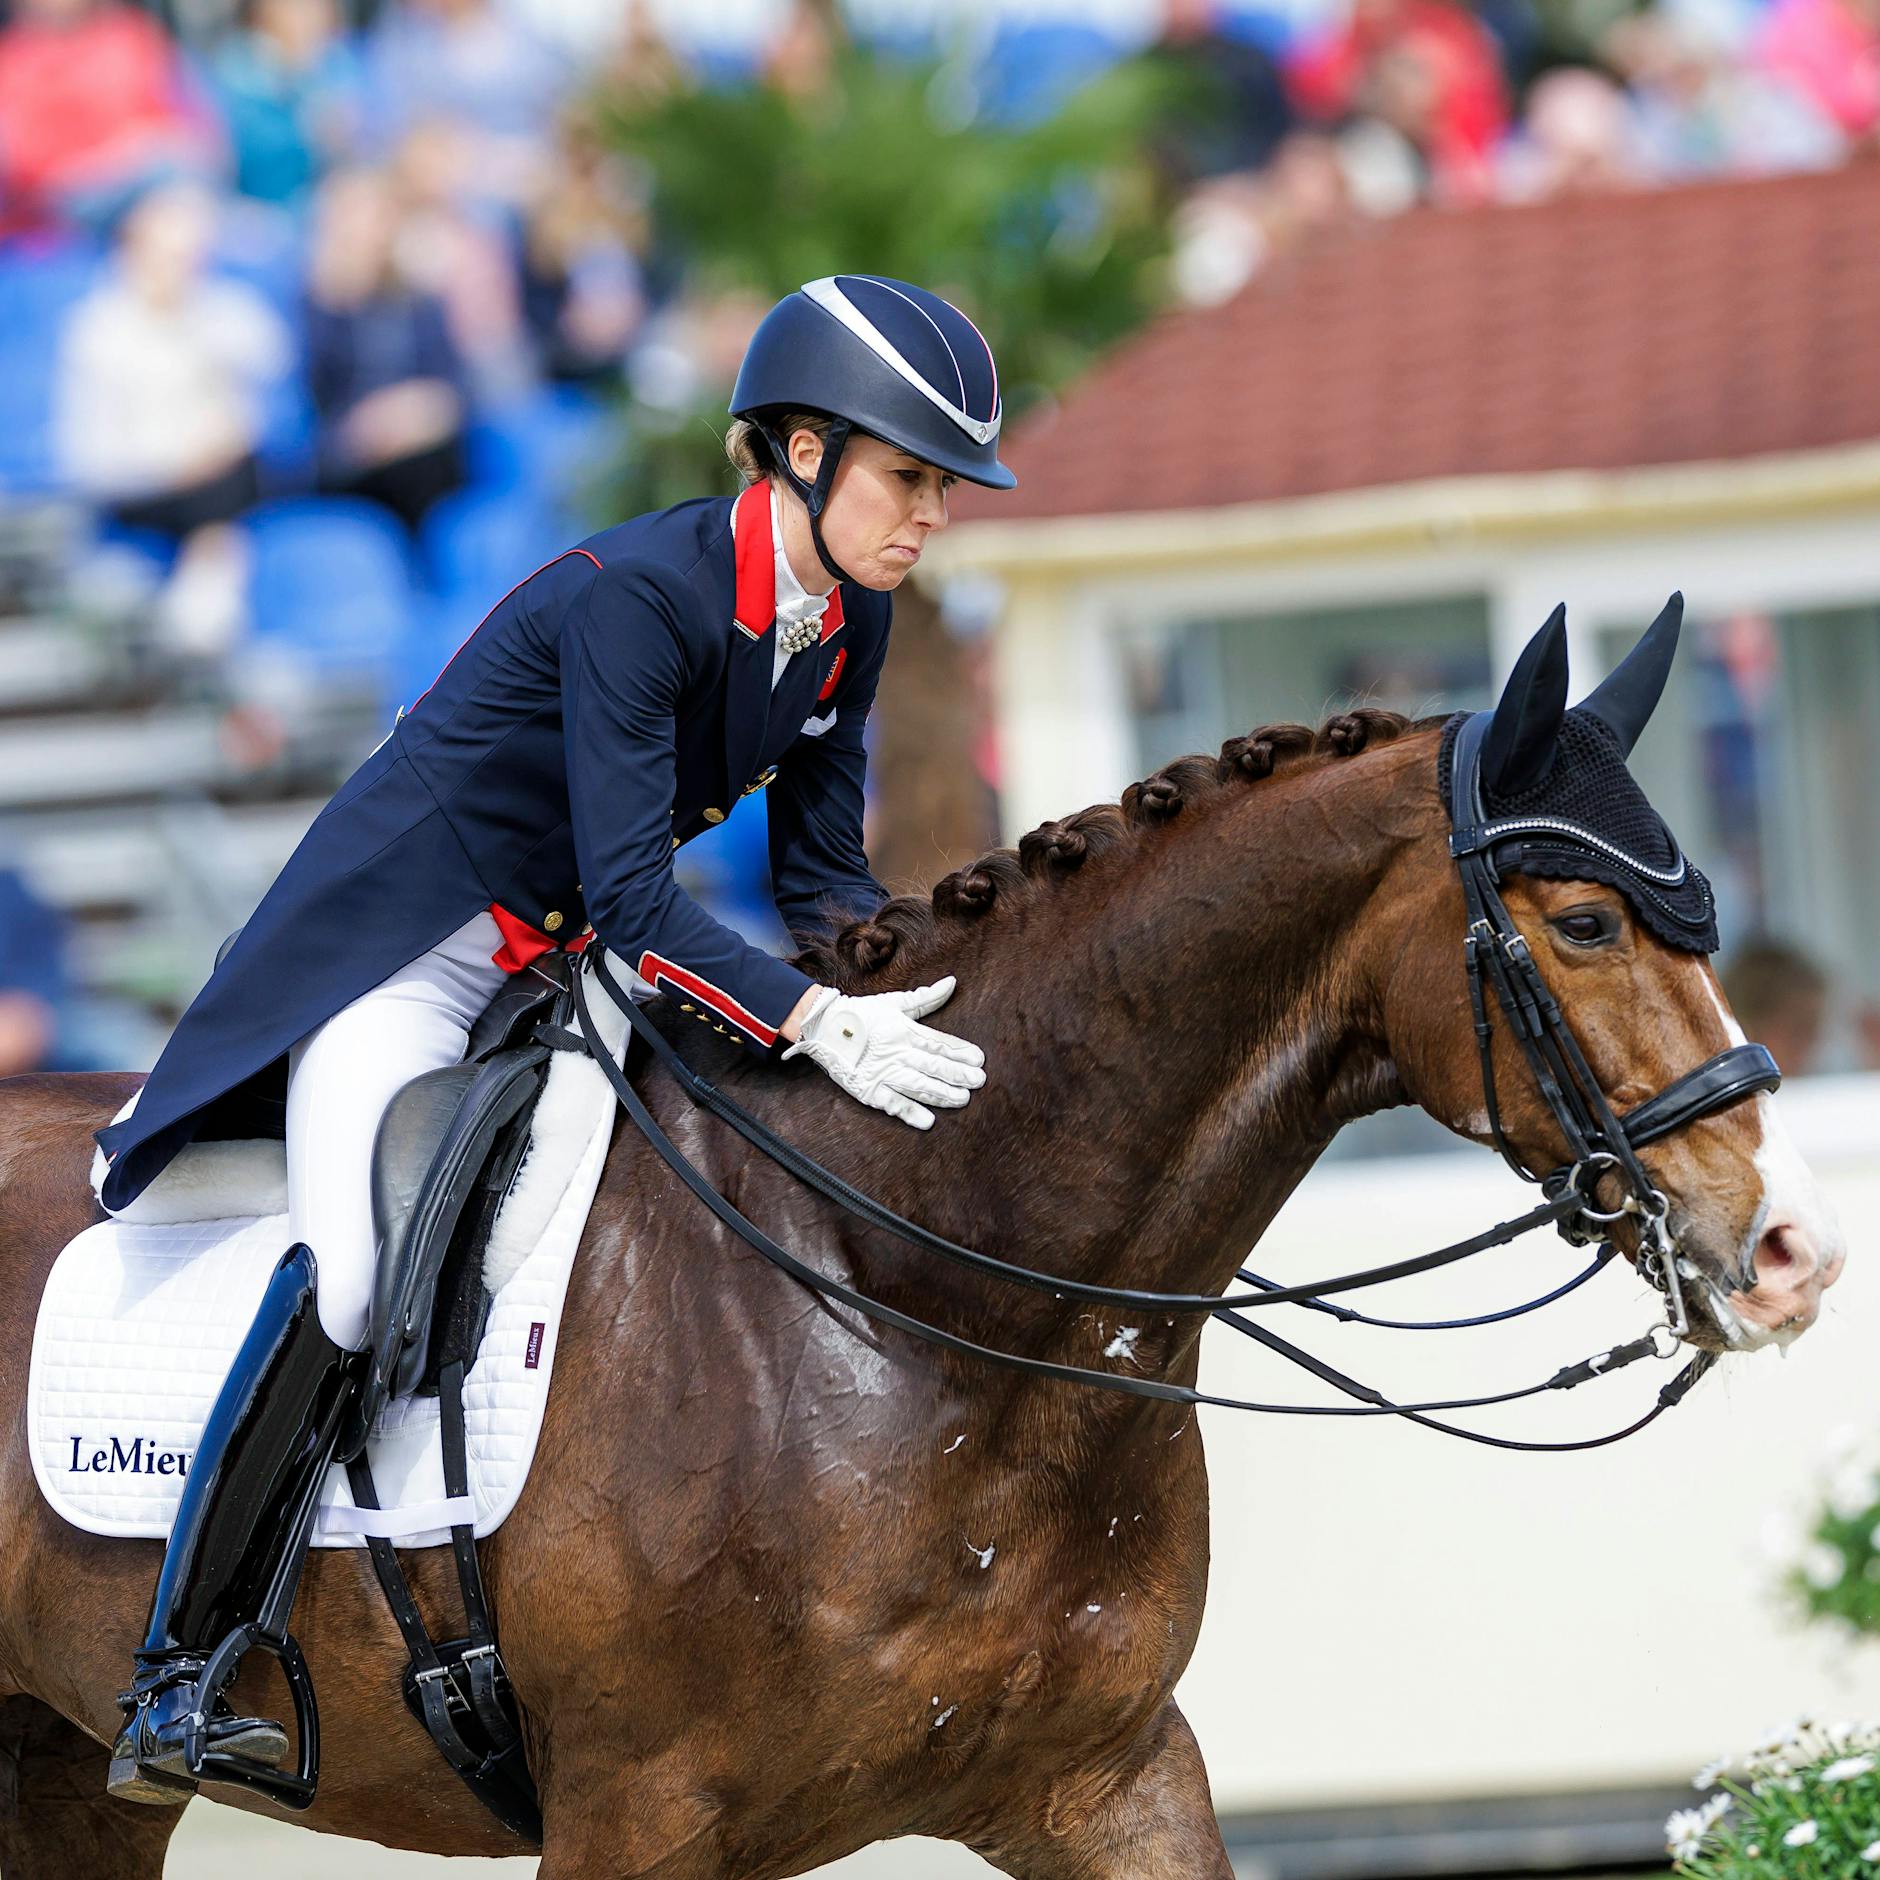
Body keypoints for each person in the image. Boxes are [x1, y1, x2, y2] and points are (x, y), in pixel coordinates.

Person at [99, 273, 1012, 1803]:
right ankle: (178, 1673)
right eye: (910, 476)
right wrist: (812, 1020)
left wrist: (922, 990)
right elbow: (640, 898)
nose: (933, 515)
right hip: (412, 952)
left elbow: (820, 883)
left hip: (566, 962)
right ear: (801, 453)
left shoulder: (847, 615)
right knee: (358, 1274)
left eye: (945, 487)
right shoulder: (639, 597)